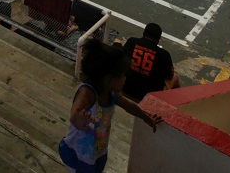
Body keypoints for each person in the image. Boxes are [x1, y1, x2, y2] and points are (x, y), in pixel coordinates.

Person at [60, 39, 162, 173]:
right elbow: (75, 112)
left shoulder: (111, 94)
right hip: (78, 154)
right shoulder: (88, 93)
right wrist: (77, 120)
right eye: (121, 76)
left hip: (98, 150)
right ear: (107, 79)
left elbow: (129, 106)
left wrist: (147, 118)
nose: (125, 78)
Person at [121, 23, 181, 102]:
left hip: (124, 88)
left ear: (143, 33)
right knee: (175, 79)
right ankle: (177, 104)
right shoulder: (163, 54)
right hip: (146, 98)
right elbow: (169, 76)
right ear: (159, 39)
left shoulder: (131, 42)